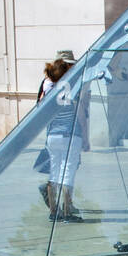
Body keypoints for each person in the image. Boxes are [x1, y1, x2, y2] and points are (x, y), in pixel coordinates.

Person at [42, 56, 89, 222]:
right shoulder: (71, 87)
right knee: (68, 173)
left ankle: (54, 211)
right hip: (71, 135)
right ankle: (68, 210)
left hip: (53, 135)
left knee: (54, 172)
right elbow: (81, 114)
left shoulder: (47, 88)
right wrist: (85, 137)